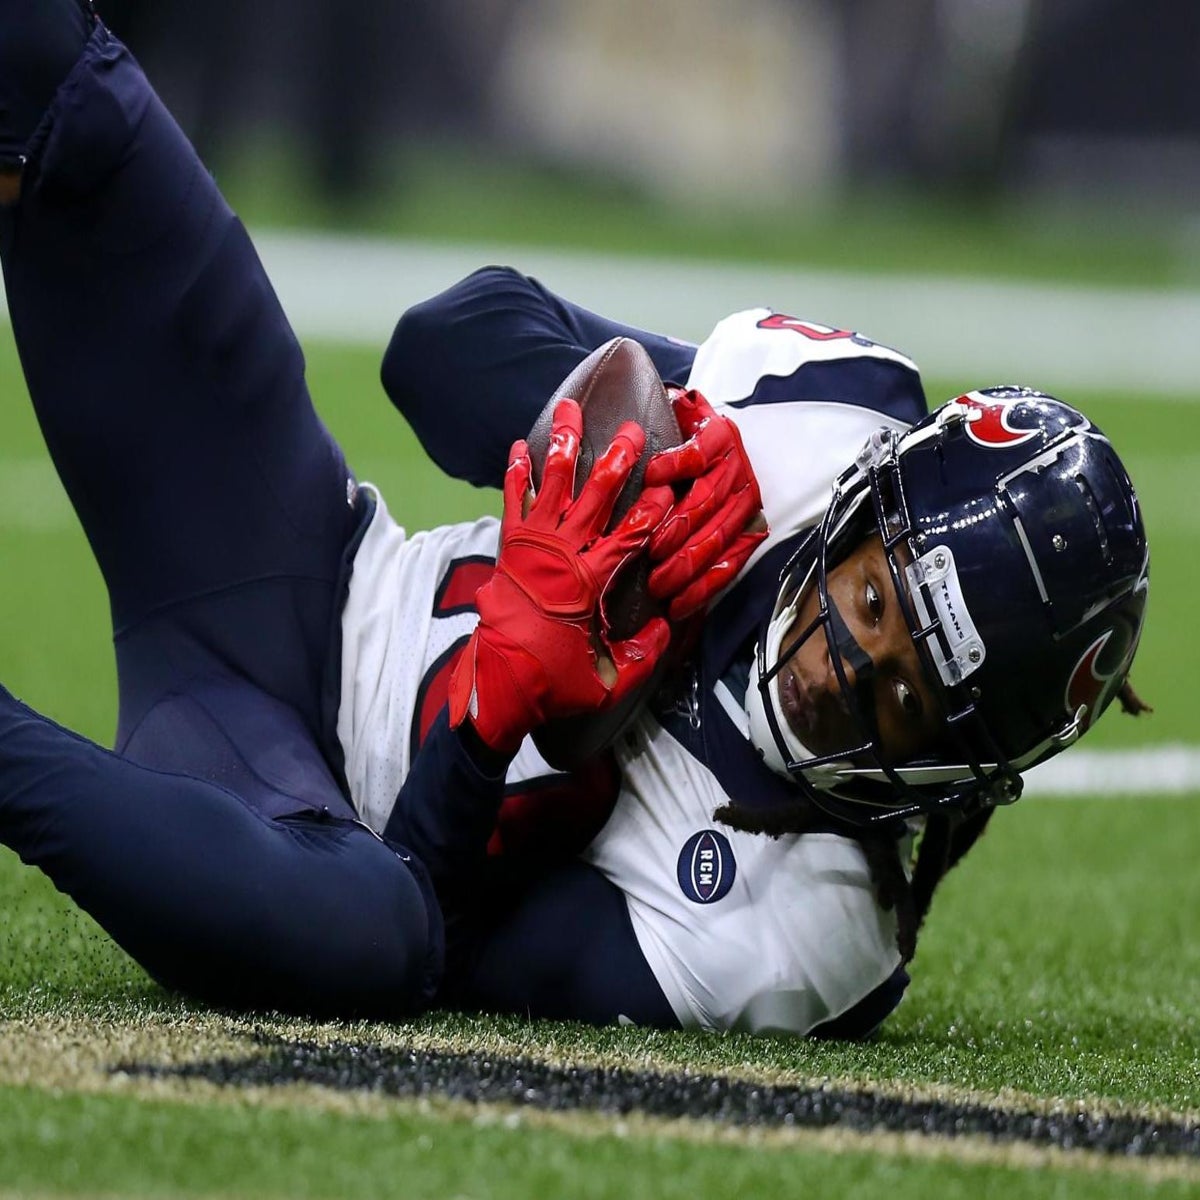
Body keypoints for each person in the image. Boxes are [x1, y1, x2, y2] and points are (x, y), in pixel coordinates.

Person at [0, 2, 1149, 1037]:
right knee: (54, 74)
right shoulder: (823, 423)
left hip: (276, 803)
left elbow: (436, 956)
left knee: (364, 939)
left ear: (962, 775)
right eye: (873, 601)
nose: (845, 670)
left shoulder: (801, 940)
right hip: (292, 553)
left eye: (907, 700)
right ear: (869, 505)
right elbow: (441, 343)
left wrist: (494, 719)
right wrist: (632, 454)